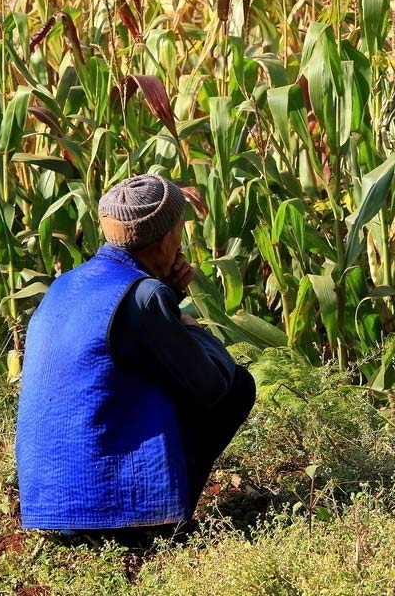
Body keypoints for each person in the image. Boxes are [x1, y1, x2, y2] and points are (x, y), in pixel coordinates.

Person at [15, 174, 256, 538]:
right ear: (166, 241)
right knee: (237, 385)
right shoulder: (145, 296)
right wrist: (187, 321)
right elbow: (212, 385)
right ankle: (158, 523)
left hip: (47, 505)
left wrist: (167, 296)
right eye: (180, 231)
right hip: (107, 511)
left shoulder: (64, 284)